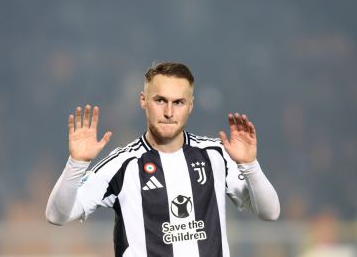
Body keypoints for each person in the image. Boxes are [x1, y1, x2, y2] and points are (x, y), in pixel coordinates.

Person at [45, 62, 280, 257]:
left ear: (190, 106)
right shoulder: (122, 165)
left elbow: (270, 212)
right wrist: (76, 163)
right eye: (160, 101)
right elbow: (56, 216)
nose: (169, 112)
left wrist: (250, 166)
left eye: (178, 102)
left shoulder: (216, 155)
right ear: (143, 100)